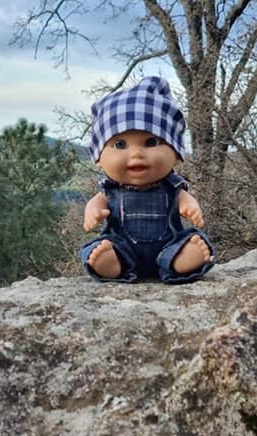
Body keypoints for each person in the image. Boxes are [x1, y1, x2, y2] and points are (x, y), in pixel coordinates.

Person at [80, 76, 215, 283]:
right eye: (120, 145)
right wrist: (93, 211)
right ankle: (111, 264)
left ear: (176, 153)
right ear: (98, 158)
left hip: (167, 248)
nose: (136, 154)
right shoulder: (110, 190)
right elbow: (97, 201)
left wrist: (191, 207)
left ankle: (181, 261)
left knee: (193, 238)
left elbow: (184, 198)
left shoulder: (172, 187)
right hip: (122, 248)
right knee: (96, 247)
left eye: (151, 142)